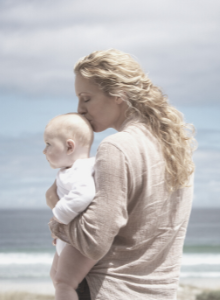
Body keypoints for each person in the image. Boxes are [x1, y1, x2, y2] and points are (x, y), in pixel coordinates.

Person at [47, 49, 196, 300]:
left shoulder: (117, 147)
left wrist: (56, 208)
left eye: (86, 98)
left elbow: (93, 241)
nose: (79, 109)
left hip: (108, 291)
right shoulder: (176, 147)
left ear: (117, 94)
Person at [43, 113, 97, 300]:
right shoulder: (70, 171)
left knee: (64, 283)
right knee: (54, 276)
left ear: (69, 146)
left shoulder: (80, 169)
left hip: (78, 243)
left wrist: (58, 218)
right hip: (68, 240)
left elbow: (85, 194)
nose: (44, 151)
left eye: (48, 144)